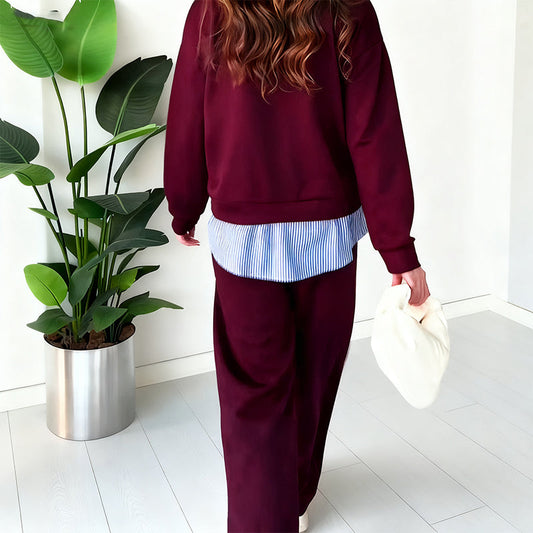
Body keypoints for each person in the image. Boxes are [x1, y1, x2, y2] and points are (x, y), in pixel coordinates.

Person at [163, 0, 431, 531]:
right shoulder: (348, 8)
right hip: (327, 237)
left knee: (252, 394)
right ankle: (295, 497)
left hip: (244, 239)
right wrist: (397, 246)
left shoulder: (212, 10)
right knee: (314, 378)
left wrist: (185, 203)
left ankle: (265, 515)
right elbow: (373, 131)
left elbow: (189, 111)